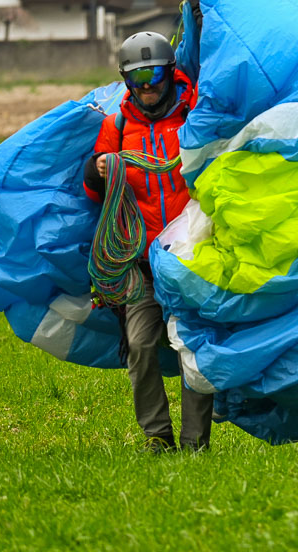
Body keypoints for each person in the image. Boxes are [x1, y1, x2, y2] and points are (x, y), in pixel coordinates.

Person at [83, 31, 213, 453]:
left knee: (191, 345)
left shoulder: (193, 115)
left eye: (154, 73)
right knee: (139, 345)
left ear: (170, 72)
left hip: (189, 256)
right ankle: (157, 437)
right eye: (136, 77)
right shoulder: (116, 126)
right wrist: (99, 169)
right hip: (138, 262)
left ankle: (196, 443)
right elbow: (94, 191)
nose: (147, 86)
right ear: (125, 80)